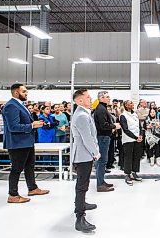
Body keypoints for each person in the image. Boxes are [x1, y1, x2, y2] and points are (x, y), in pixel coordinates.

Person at [2, 83, 49, 204]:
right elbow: (13, 127)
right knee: (16, 169)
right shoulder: (11, 106)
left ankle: (32, 188)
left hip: (26, 141)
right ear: (16, 92)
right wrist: (32, 125)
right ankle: (12, 195)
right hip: (17, 143)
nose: (26, 93)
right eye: (24, 91)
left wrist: (34, 124)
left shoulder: (20, 105)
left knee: (29, 166)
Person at [70, 89, 100, 232]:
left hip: (84, 154)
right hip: (84, 155)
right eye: (88, 97)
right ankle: (80, 217)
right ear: (79, 101)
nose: (90, 99)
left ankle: (80, 204)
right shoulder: (81, 115)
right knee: (82, 185)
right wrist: (95, 152)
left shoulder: (83, 113)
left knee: (83, 183)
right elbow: (87, 138)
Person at [94, 90, 121, 192]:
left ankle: (101, 181)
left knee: (103, 161)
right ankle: (100, 184)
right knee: (102, 161)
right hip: (102, 137)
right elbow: (103, 125)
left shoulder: (102, 108)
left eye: (109, 97)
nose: (109, 98)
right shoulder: (101, 109)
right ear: (101, 98)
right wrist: (115, 126)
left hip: (104, 137)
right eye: (107, 97)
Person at [119, 100, 144, 185]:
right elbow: (125, 129)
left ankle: (134, 172)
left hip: (137, 139)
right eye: (130, 103)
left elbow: (140, 126)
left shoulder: (135, 114)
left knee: (136, 156)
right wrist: (135, 137)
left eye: (132, 103)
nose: (132, 104)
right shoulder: (123, 116)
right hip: (128, 139)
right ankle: (127, 174)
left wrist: (140, 135)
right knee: (128, 157)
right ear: (126, 105)